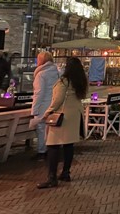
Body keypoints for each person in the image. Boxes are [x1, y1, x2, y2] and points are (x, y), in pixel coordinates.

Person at [36, 56, 87, 189]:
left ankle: (52, 177)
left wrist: (47, 112)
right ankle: (65, 172)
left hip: (62, 117)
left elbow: (57, 100)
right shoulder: (80, 82)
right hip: (75, 115)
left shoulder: (64, 81)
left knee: (52, 146)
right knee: (68, 146)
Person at [31, 51, 60, 161]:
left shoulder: (41, 74)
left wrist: (34, 110)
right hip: (54, 104)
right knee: (51, 129)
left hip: (43, 105)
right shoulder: (57, 72)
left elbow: (39, 93)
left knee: (41, 128)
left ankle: (41, 151)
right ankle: (51, 150)